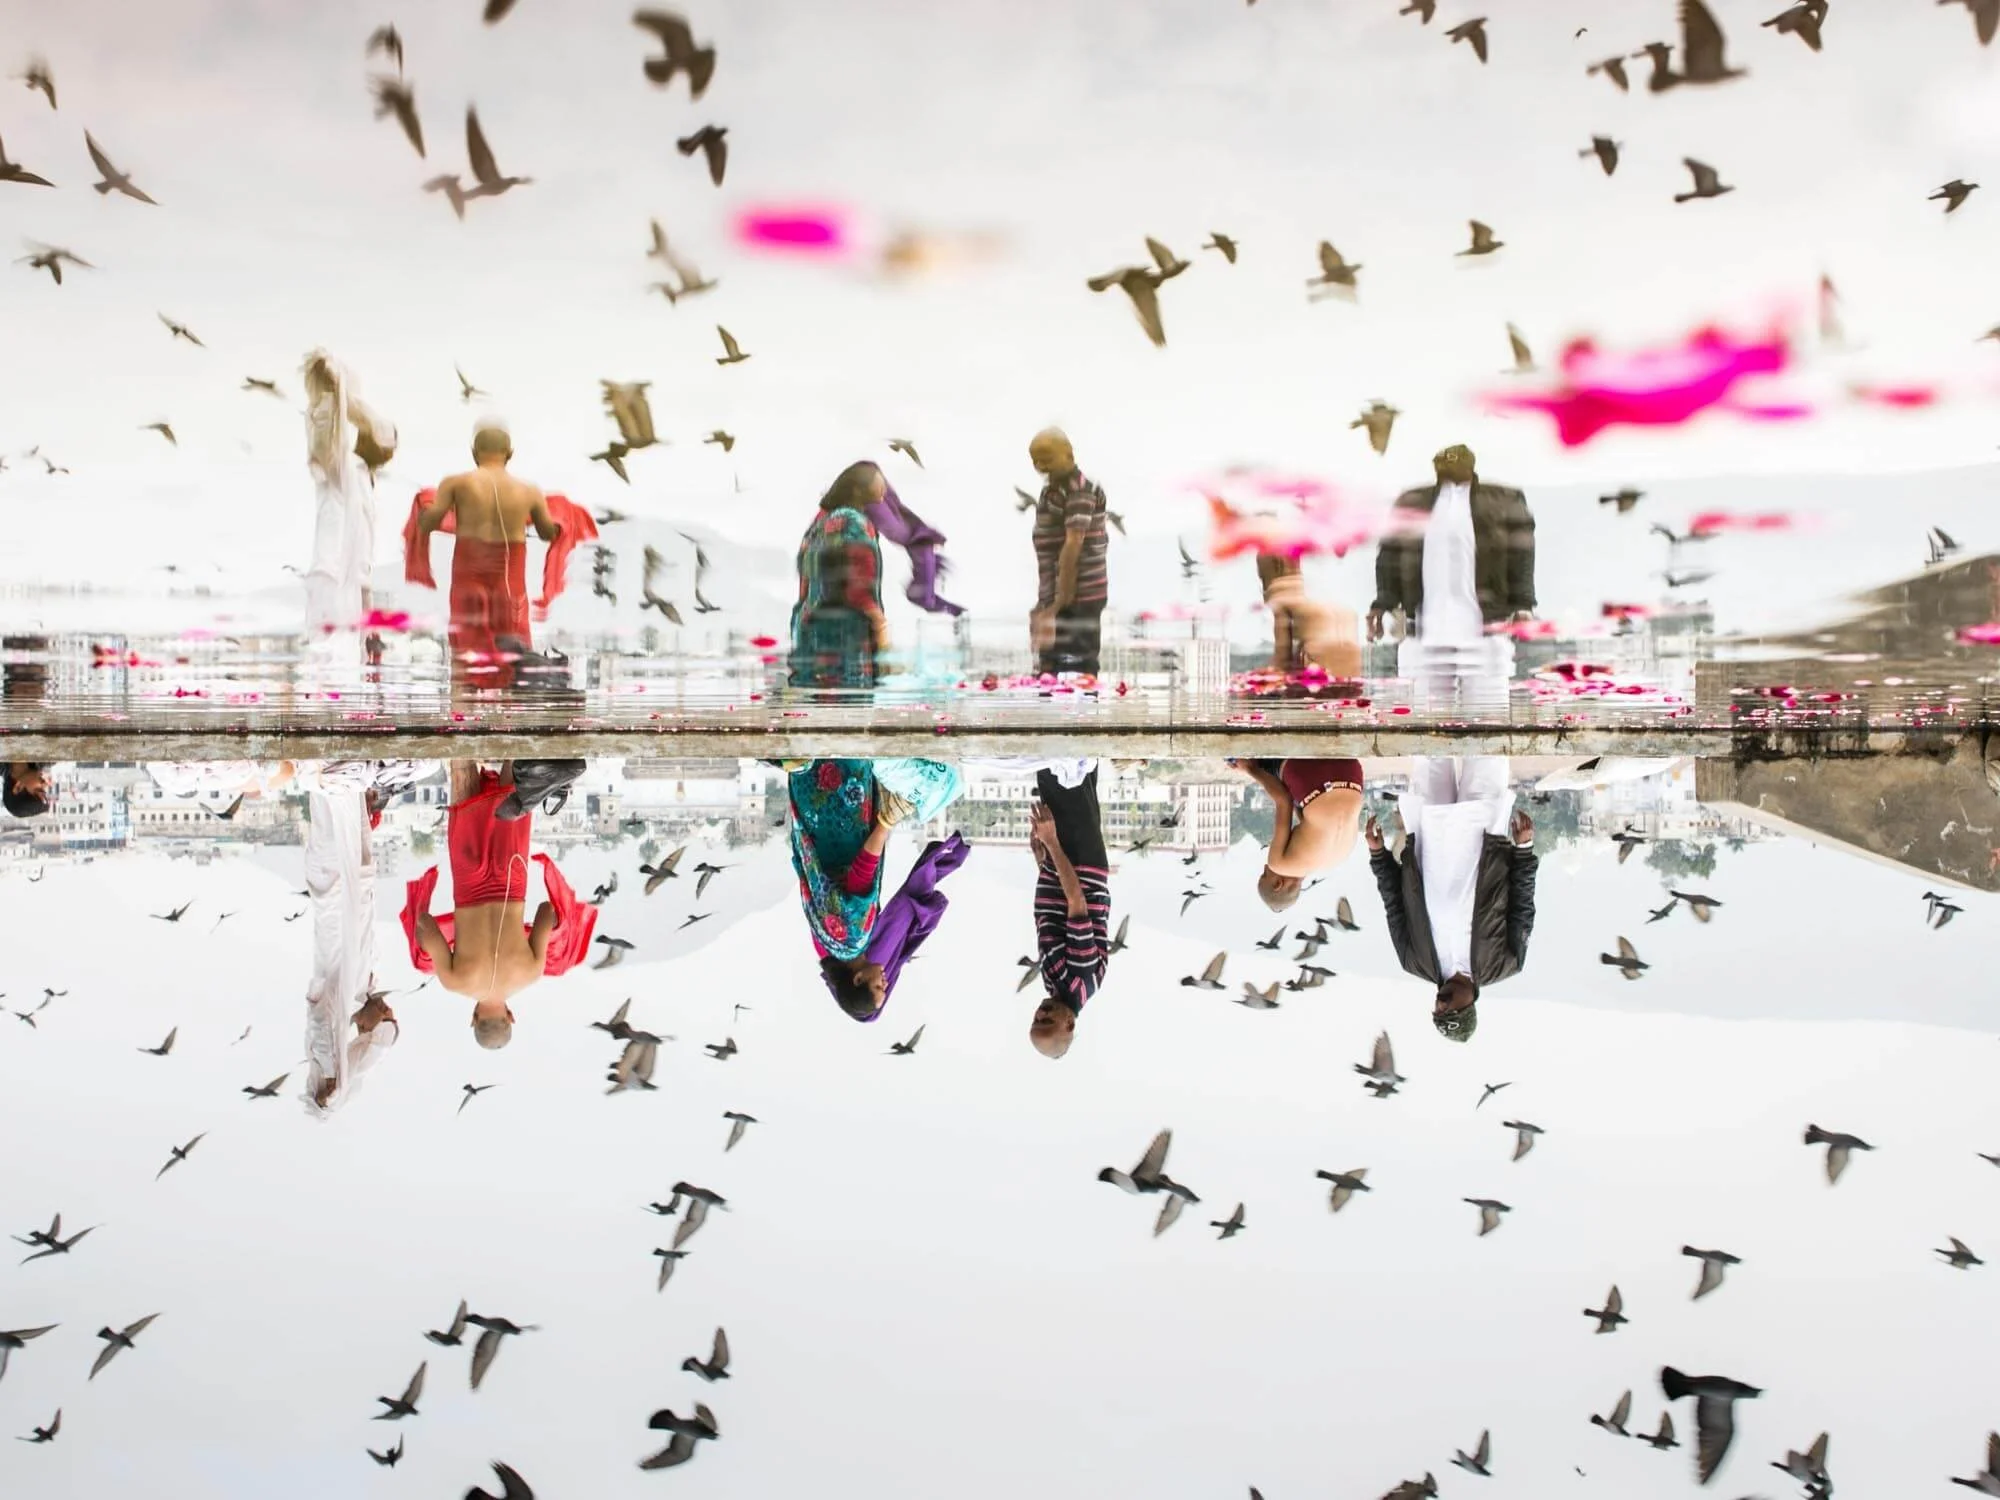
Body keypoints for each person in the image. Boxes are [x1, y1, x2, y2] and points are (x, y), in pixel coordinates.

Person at [400, 760, 597, 1049]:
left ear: (511, 1017)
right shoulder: (456, 981)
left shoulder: (531, 972)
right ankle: (462, 723)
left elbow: (547, 910)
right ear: (474, 1019)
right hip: (468, 879)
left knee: (510, 785)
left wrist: (525, 934)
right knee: (462, 766)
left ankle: (508, 722)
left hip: (511, 877)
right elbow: (426, 925)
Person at [404, 423, 598, 685]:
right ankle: (508, 717)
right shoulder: (529, 491)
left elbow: (426, 524)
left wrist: (426, 505)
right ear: (510, 453)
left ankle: (461, 716)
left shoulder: (456, 483)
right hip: (509, 580)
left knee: (466, 655)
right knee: (513, 655)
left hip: (468, 576)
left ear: (474, 452)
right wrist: (561, 518)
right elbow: (547, 533)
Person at [1366, 759, 1538, 1042]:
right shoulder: (1506, 964)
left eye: (1437, 1012)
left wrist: (1378, 855)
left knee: (1430, 749)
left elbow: (1393, 905)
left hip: (1429, 836)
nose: (1440, 1005)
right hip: (1483, 835)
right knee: (1488, 746)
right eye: (1450, 1012)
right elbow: (1522, 905)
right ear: (1468, 1007)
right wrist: (1524, 849)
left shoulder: (1414, 963)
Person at [790, 757, 966, 1015]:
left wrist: (886, 822)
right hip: (814, 814)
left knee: (844, 738)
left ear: (858, 980)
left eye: (878, 987)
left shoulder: (853, 940)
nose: (886, 982)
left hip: (840, 808)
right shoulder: (826, 948)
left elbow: (861, 873)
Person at [1368, 443, 1535, 701]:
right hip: (1424, 631)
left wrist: (1523, 604)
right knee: (1425, 724)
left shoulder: (1502, 500)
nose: (1449, 464)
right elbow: (1389, 555)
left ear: (1471, 465)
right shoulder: (1413, 501)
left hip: (1485, 633)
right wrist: (1382, 603)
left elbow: (1521, 554)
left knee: (1488, 721)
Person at [301, 350, 397, 634]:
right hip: (329, 584)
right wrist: (332, 386)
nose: (390, 448)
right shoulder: (342, 467)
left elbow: (362, 561)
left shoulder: (363, 478)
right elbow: (327, 424)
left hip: (347, 591)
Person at [1026, 763, 1111, 1059]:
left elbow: (1056, 914)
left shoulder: (1055, 986)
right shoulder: (1079, 979)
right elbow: (1076, 902)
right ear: (1069, 1024)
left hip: (1066, 859)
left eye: (1036, 1018)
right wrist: (1052, 843)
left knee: (1077, 771)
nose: (1042, 1012)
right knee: (1057, 767)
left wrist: (1044, 861)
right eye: (1047, 1020)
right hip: (1079, 859)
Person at [789, 465, 893, 691]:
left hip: (810, 625)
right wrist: (879, 623)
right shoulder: (853, 521)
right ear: (858, 487)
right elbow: (858, 578)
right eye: (879, 479)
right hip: (845, 632)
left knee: (815, 712)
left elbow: (805, 578)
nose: (884, 484)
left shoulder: (820, 521)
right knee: (849, 712)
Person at [1027, 427, 1111, 677]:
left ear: (1068, 454)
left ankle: (1078, 715)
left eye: (1047, 457)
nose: (1041, 465)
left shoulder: (1080, 490)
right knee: (1047, 669)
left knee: (1077, 669)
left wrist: (1059, 603)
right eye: (1035, 460)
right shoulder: (1052, 489)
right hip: (1054, 594)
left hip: (1079, 595)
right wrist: (1046, 602)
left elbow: (1073, 544)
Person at [1230, 757, 1364, 909]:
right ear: (1278, 884)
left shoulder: (1336, 859)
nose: (1266, 867)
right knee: (1268, 767)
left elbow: (1306, 811)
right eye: (1264, 875)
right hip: (1319, 777)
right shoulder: (1278, 865)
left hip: (1351, 772)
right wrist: (1251, 770)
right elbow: (1283, 799)